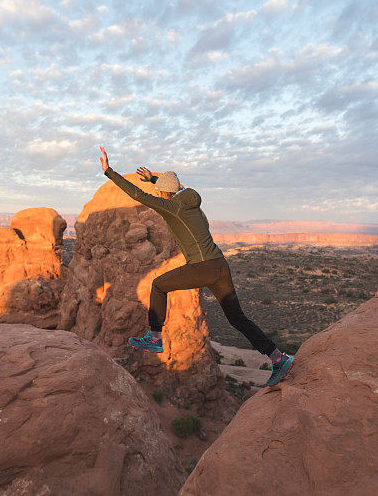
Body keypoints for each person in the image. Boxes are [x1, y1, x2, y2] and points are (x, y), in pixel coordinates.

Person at [98, 146, 294, 386]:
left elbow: (138, 195)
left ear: (163, 194)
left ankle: (155, 337)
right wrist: (155, 179)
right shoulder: (192, 202)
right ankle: (278, 358)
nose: (158, 195)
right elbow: (177, 188)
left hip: (203, 267)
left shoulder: (171, 208)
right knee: (237, 318)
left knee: (159, 285)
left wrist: (109, 171)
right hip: (219, 265)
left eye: (160, 191)